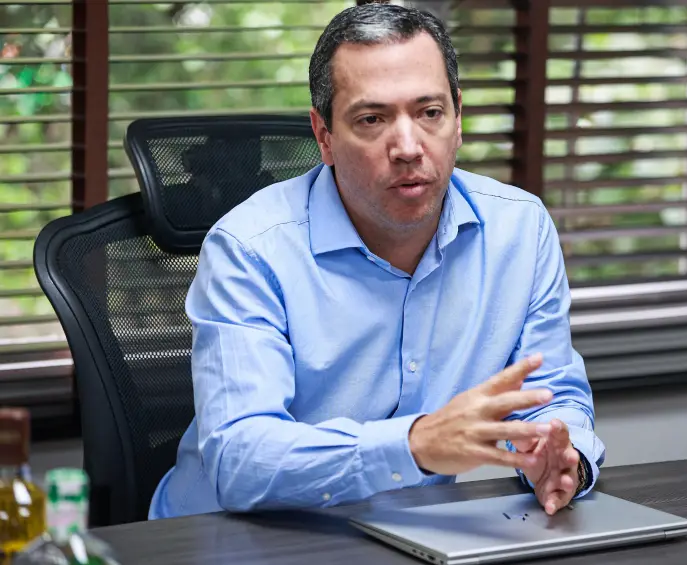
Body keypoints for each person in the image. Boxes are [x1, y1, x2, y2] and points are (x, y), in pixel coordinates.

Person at [148, 2, 606, 520]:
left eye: (430, 113)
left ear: (458, 119)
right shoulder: (250, 248)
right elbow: (240, 460)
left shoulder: (519, 229)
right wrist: (413, 445)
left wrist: (563, 456)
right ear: (323, 135)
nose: (408, 147)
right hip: (227, 537)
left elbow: (555, 395)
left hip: (406, 533)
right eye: (372, 119)